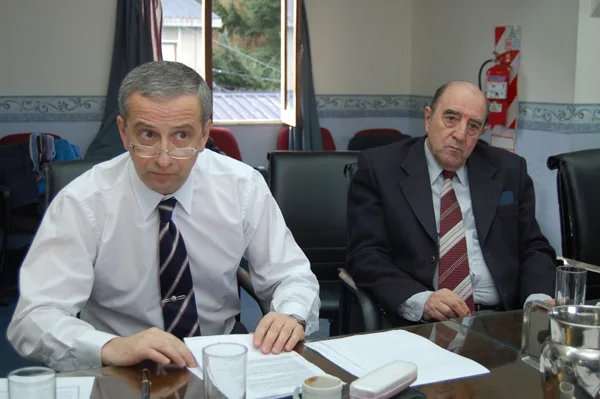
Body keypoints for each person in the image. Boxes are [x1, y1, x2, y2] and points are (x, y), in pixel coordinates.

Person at [8, 61, 320, 372]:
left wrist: (291, 315)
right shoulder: (83, 202)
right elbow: (33, 317)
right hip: (118, 363)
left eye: (182, 136)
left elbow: (291, 275)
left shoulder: (243, 186)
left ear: (204, 134)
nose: (164, 158)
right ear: (122, 130)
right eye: (147, 135)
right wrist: (110, 347)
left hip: (218, 354)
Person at [346, 80, 556, 326]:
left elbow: (533, 246)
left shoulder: (509, 170)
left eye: (473, 126)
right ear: (428, 118)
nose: (460, 134)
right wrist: (420, 301)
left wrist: (537, 300)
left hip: (503, 318)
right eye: (451, 119)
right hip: (423, 322)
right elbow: (366, 254)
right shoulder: (380, 168)